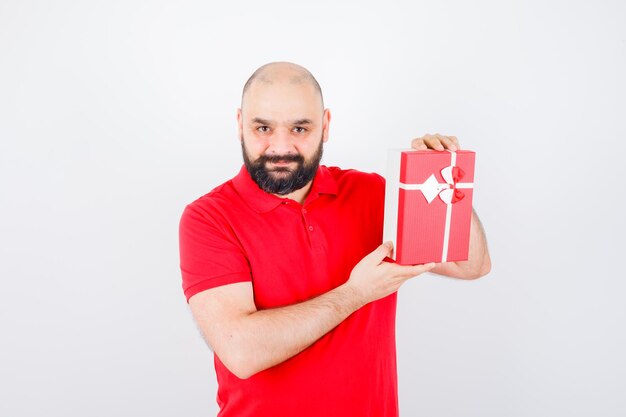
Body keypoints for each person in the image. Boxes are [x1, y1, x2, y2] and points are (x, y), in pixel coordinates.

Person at [178, 61, 491, 417]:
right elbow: (242, 352)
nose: (281, 146)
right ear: (239, 125)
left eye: (300, 128)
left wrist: (444, 181)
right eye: (263, 127)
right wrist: (356, 293)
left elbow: (472, 265)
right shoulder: (209, 218)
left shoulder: (371, 194)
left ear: (325, 126)